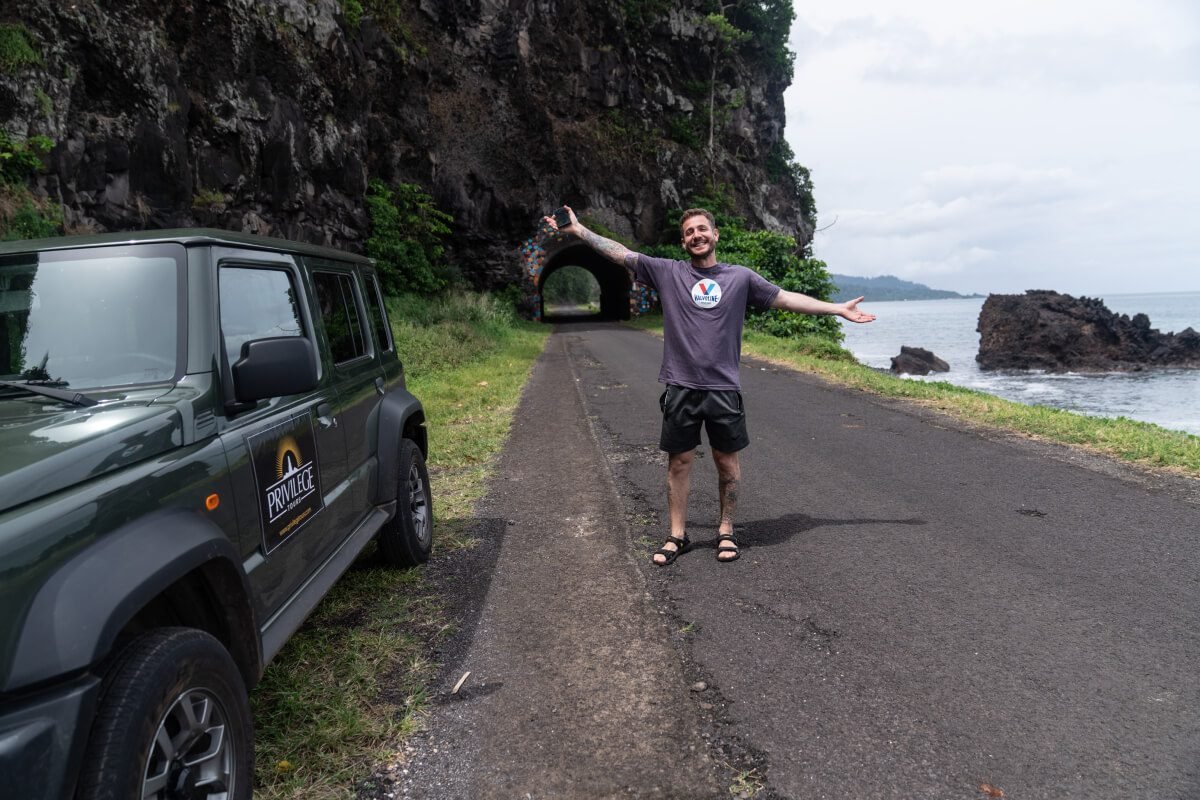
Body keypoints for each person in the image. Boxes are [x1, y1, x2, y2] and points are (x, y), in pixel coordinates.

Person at [544, 205, 875, 564]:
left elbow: (786, 299)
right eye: (689, 232)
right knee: (679, 462)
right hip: (681, 387)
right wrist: (579, 231)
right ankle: (676, 535)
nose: (696, 235)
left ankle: (726, 530)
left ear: (715, 235)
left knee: (727, 464)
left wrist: (836, 308)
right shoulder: (667, 272)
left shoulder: (740, 277)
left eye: (702, 229)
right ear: (684, 241)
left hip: (724, 389)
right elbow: (620, 253)